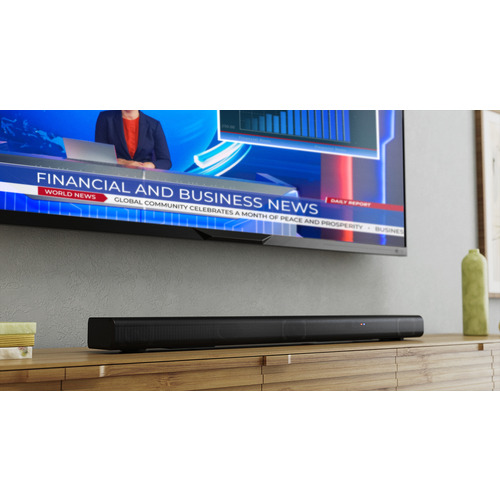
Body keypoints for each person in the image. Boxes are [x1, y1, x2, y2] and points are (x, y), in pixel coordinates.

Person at [95, 110, 172, 170]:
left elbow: (166, 161)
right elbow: (100, 155)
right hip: (114, 173)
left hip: (144, 176)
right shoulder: (105, 118)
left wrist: (150, 165)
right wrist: (124, 162)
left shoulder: (154, 125)